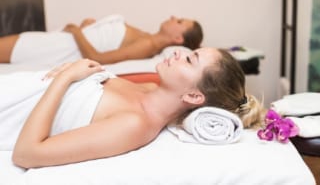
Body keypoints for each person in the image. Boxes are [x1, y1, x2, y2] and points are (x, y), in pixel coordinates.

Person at [0, 47, 264, 169]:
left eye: (189, 59)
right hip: (13, 87)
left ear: (195, 95)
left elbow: (27, 154)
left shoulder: (136, 125)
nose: (177, 53)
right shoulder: (149, 89)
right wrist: (71, 73)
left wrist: (65, 78)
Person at [0, 15, 203, 66]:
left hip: (55, 49)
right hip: (58, 41)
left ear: (178, 38)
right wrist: (91, 27)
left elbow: (98, 58)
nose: (173, 16)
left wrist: (76, 31)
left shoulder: (148, 45)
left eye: (179, 21)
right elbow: (104, 41)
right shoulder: (145, 36)